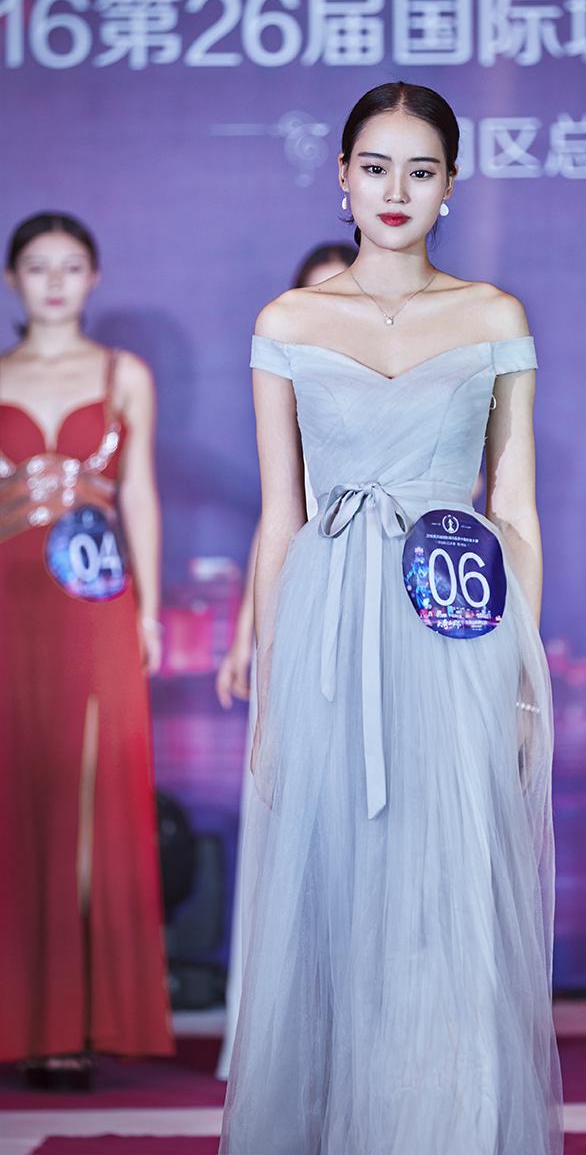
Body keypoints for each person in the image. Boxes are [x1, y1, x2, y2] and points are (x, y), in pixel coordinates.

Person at [220, 83, 562, 1154]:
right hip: (327, 634)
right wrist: (271, 693)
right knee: (334, 903)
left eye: (420, 169)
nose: (395, 189)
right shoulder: (287, 322)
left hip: (454, 627)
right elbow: (280, 519)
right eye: (375, 167)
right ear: (342, 176)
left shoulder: (493, 315)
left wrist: (520, 680)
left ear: (451, 184)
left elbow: (514, 511)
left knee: (446, 902)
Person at [0, 213, 173, 1088]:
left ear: (94, 277)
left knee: (87, 800)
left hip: (96, 603)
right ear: (13, 280)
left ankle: (73, 1020)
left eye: (71, 266)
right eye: (38, 267)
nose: (55, 282)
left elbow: (138, 493)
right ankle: (21, 1017)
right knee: (16, 797)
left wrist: (149, 610)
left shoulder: (122, 374)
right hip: (10, 604)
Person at [214, 240, 356, 1081]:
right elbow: (280, 521)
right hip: (302, 616)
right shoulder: (289, 379)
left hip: (394, 610)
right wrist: (248, 638)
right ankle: (284, 1035)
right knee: (296, 829)